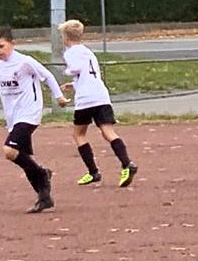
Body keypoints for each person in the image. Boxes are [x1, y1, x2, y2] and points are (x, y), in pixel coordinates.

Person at [0, 27, 67, 213]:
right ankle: (44, 196)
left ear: (12, 44)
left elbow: (48, 76)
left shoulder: (25, 62)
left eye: (1, 46)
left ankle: (43, 175)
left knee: (10, 150)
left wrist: (58, 96)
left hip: (29, 113)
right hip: (13, 116)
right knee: (23, 157)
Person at [58, 20, 138, 188]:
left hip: (86, 99)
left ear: (66, 37)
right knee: (108, 131)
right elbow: (89, 75)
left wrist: (67, 71)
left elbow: (75, 68)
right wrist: (74, 84)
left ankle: (93, 172)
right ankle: (127, 163)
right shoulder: (88, 52)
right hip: (101, 96)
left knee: (79, 134)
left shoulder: (70, 52)